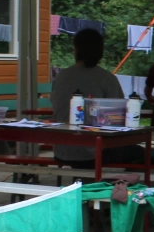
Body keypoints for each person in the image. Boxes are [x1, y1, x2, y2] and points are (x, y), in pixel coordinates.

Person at [49, 27, 124, 167]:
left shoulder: (61, 76)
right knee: (139, 153)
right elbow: (119, 117)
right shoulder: (107, 78)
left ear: (76, 49)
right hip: (95, 151)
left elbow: (56, 105)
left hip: (61, 150)